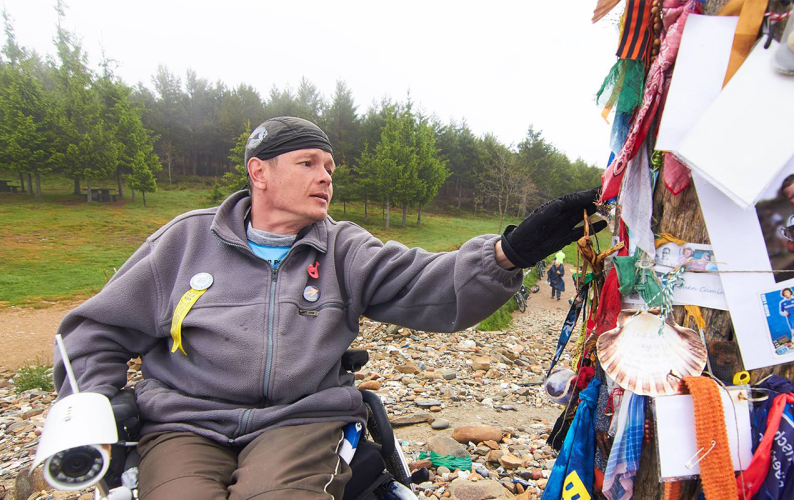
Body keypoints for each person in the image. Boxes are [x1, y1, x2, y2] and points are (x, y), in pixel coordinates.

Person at [52, 117, 605, 500]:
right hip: (183, 422)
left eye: (331, 168)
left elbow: (429, 286)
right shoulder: (182, 242)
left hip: (300, 420)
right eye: (309, 163)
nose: (326, 177)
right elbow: (93, 333)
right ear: (259, 171)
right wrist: (91, 408)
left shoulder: (344, 247)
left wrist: (511, 252)